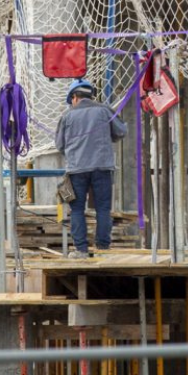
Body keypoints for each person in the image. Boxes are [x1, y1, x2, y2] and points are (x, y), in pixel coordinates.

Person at [54, 81, 124, 258]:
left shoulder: (67, 117)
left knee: (77, 209)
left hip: (77, 169)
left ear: (75, 98)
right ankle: (102, 249)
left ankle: (81, 250)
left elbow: (59, 145)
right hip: (102, 167)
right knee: (103, 208)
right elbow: (120, 132)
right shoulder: (104, 110)